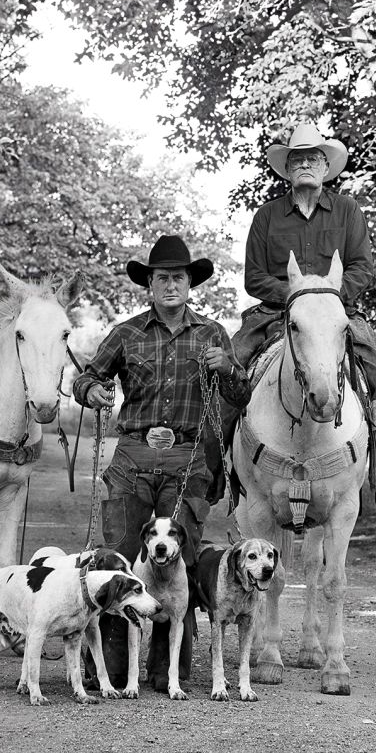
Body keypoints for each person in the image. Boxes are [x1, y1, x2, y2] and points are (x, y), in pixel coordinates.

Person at [73, 235, 251, 691]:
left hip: (188, 459)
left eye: (178, 277)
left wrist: (228, 369)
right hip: (133, 456)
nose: (170, 285)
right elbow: (87, 379)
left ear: (190, 283)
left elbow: (240, 395)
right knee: (119, 559)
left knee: (181, 560)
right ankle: (111, 668)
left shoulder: (212, 334)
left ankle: (167, 672)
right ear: (149, 284)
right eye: (161, 278)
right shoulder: (127, 333)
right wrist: (91, 390)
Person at [231, 122, 376, 519]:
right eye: (297, 159)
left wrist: (327, 299)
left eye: (313, 158)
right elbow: (253, 277)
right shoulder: (266, 216)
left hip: (338, 312)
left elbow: (362, 267)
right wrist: (296, 297)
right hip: (276, 312)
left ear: (325, 166)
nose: (305, 164)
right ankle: (213, 467)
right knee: (229, 366)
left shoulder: (348, 210)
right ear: (286, 169)